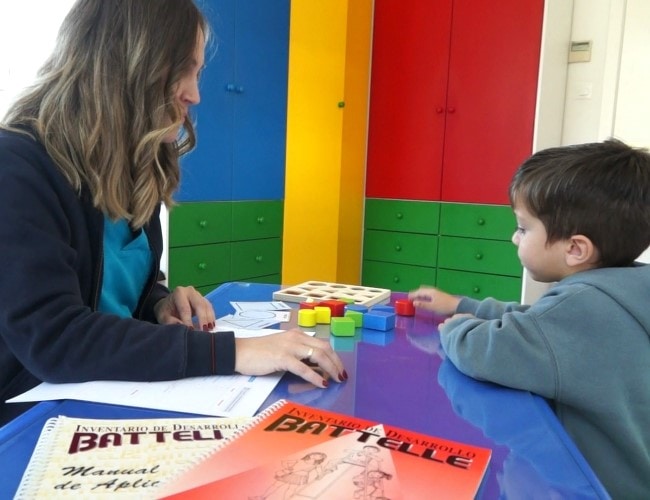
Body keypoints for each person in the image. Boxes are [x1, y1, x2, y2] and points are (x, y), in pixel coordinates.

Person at [0, 0, 346, 426]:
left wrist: (160, 304)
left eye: (197, 73)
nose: (195, 94)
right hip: (26, 419)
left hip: (103, 394)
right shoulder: (17, 165)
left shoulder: (131, 163)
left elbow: (112, 293)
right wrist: (235, 351)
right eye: (183, 68)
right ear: (124, 59)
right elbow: (56, 337)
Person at [409, 139, 650, 499]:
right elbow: (540, 325)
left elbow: (488, 351)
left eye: (523, 228)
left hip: (592, 487)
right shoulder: (623, 287)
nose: (513, 237)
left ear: (575, 249)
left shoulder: (580, 307)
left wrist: (457, 327)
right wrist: (466, 305)